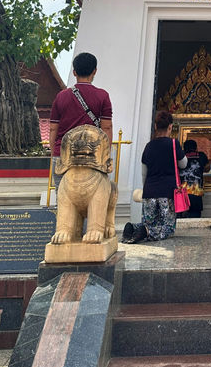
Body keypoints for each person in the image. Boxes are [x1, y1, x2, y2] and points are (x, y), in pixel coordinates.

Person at [49, 52, 113, 189]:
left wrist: (55, 153)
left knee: (63, 200)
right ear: (95, 71)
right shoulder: (103, 96)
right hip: (92, 155)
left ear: (74, 72)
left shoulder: (61, 96)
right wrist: (106, 154)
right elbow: (106, 128)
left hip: (64, 153)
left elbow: (53, 128)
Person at [122, 110, 187, 243]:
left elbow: (144, 173)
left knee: (149, 222)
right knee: (167, 229)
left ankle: (133, 228)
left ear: (156, 126)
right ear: (170, 127)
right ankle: (144, 232)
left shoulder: (149, 146)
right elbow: (183, 164)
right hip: (168, 192)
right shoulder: (173, 144)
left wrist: (147, 189)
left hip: (149, 191)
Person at [178, 139, 209, 218]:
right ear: (196, 148)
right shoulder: (201, 156)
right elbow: (207, 168)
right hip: (196, 192)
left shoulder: (180, 157)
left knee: (180, 220)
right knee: (195, 219)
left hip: (181, 193)